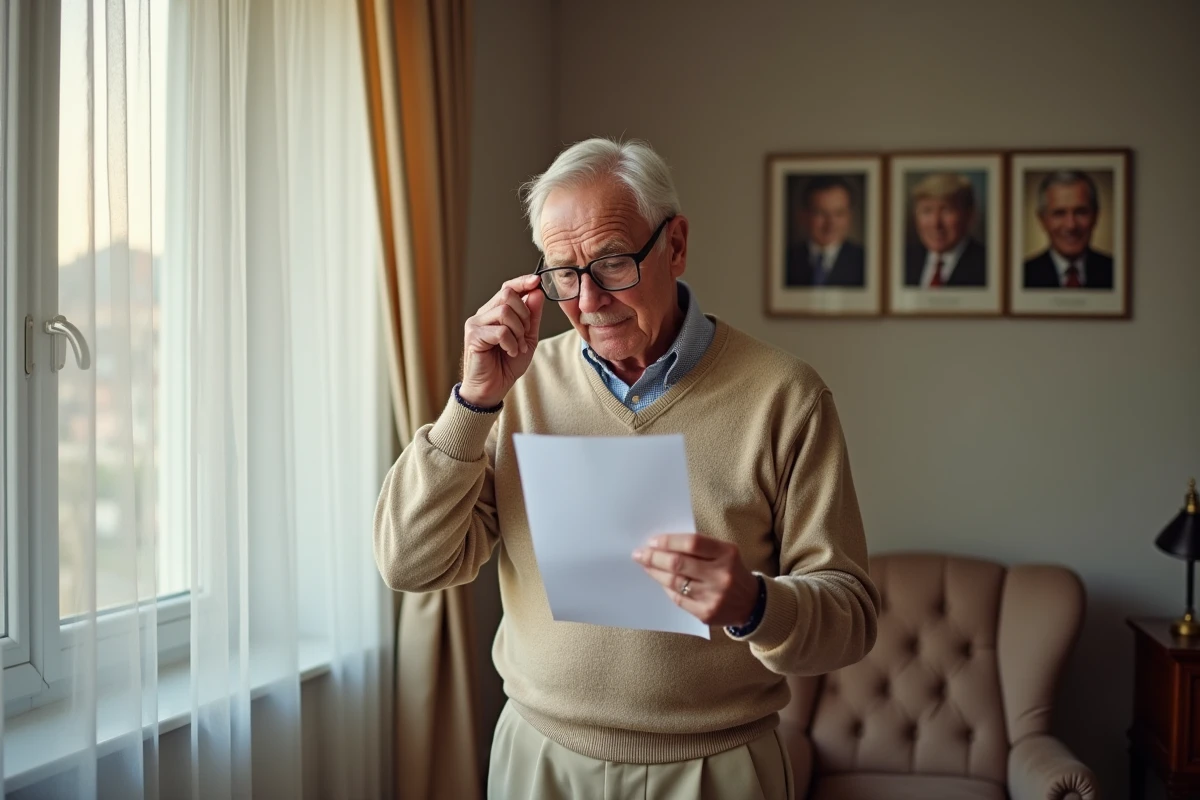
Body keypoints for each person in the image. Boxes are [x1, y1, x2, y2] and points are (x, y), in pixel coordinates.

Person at [374, 138, 879, 800]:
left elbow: (851, 618)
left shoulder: (785, 396)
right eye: (563, 274)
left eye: (613, 264)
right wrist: (471, 405)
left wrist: (755, 604)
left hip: (715, 768)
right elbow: (411, 565)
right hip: (539, 762)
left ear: (675, 246)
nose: (589, 301)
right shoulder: (516, 387)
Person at [1023, 171, 1114, 289]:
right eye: (1059, 213)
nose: (1071, 225)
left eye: (1081, 212)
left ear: (1095, 216)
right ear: (1042, 220)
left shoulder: (1115, 271)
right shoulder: (1024, 275)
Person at [903, 172, 987, 288]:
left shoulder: (988, 266)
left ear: (969, 215)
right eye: (927, 211)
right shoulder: (903, 262)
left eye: (946, 210)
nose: (935, 223)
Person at [784, 175, 866, 287]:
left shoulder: (864, 261)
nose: (830, 224)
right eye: (820, 213)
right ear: (803, 216)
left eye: (839, 214)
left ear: (850, 216)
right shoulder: (785, 260)